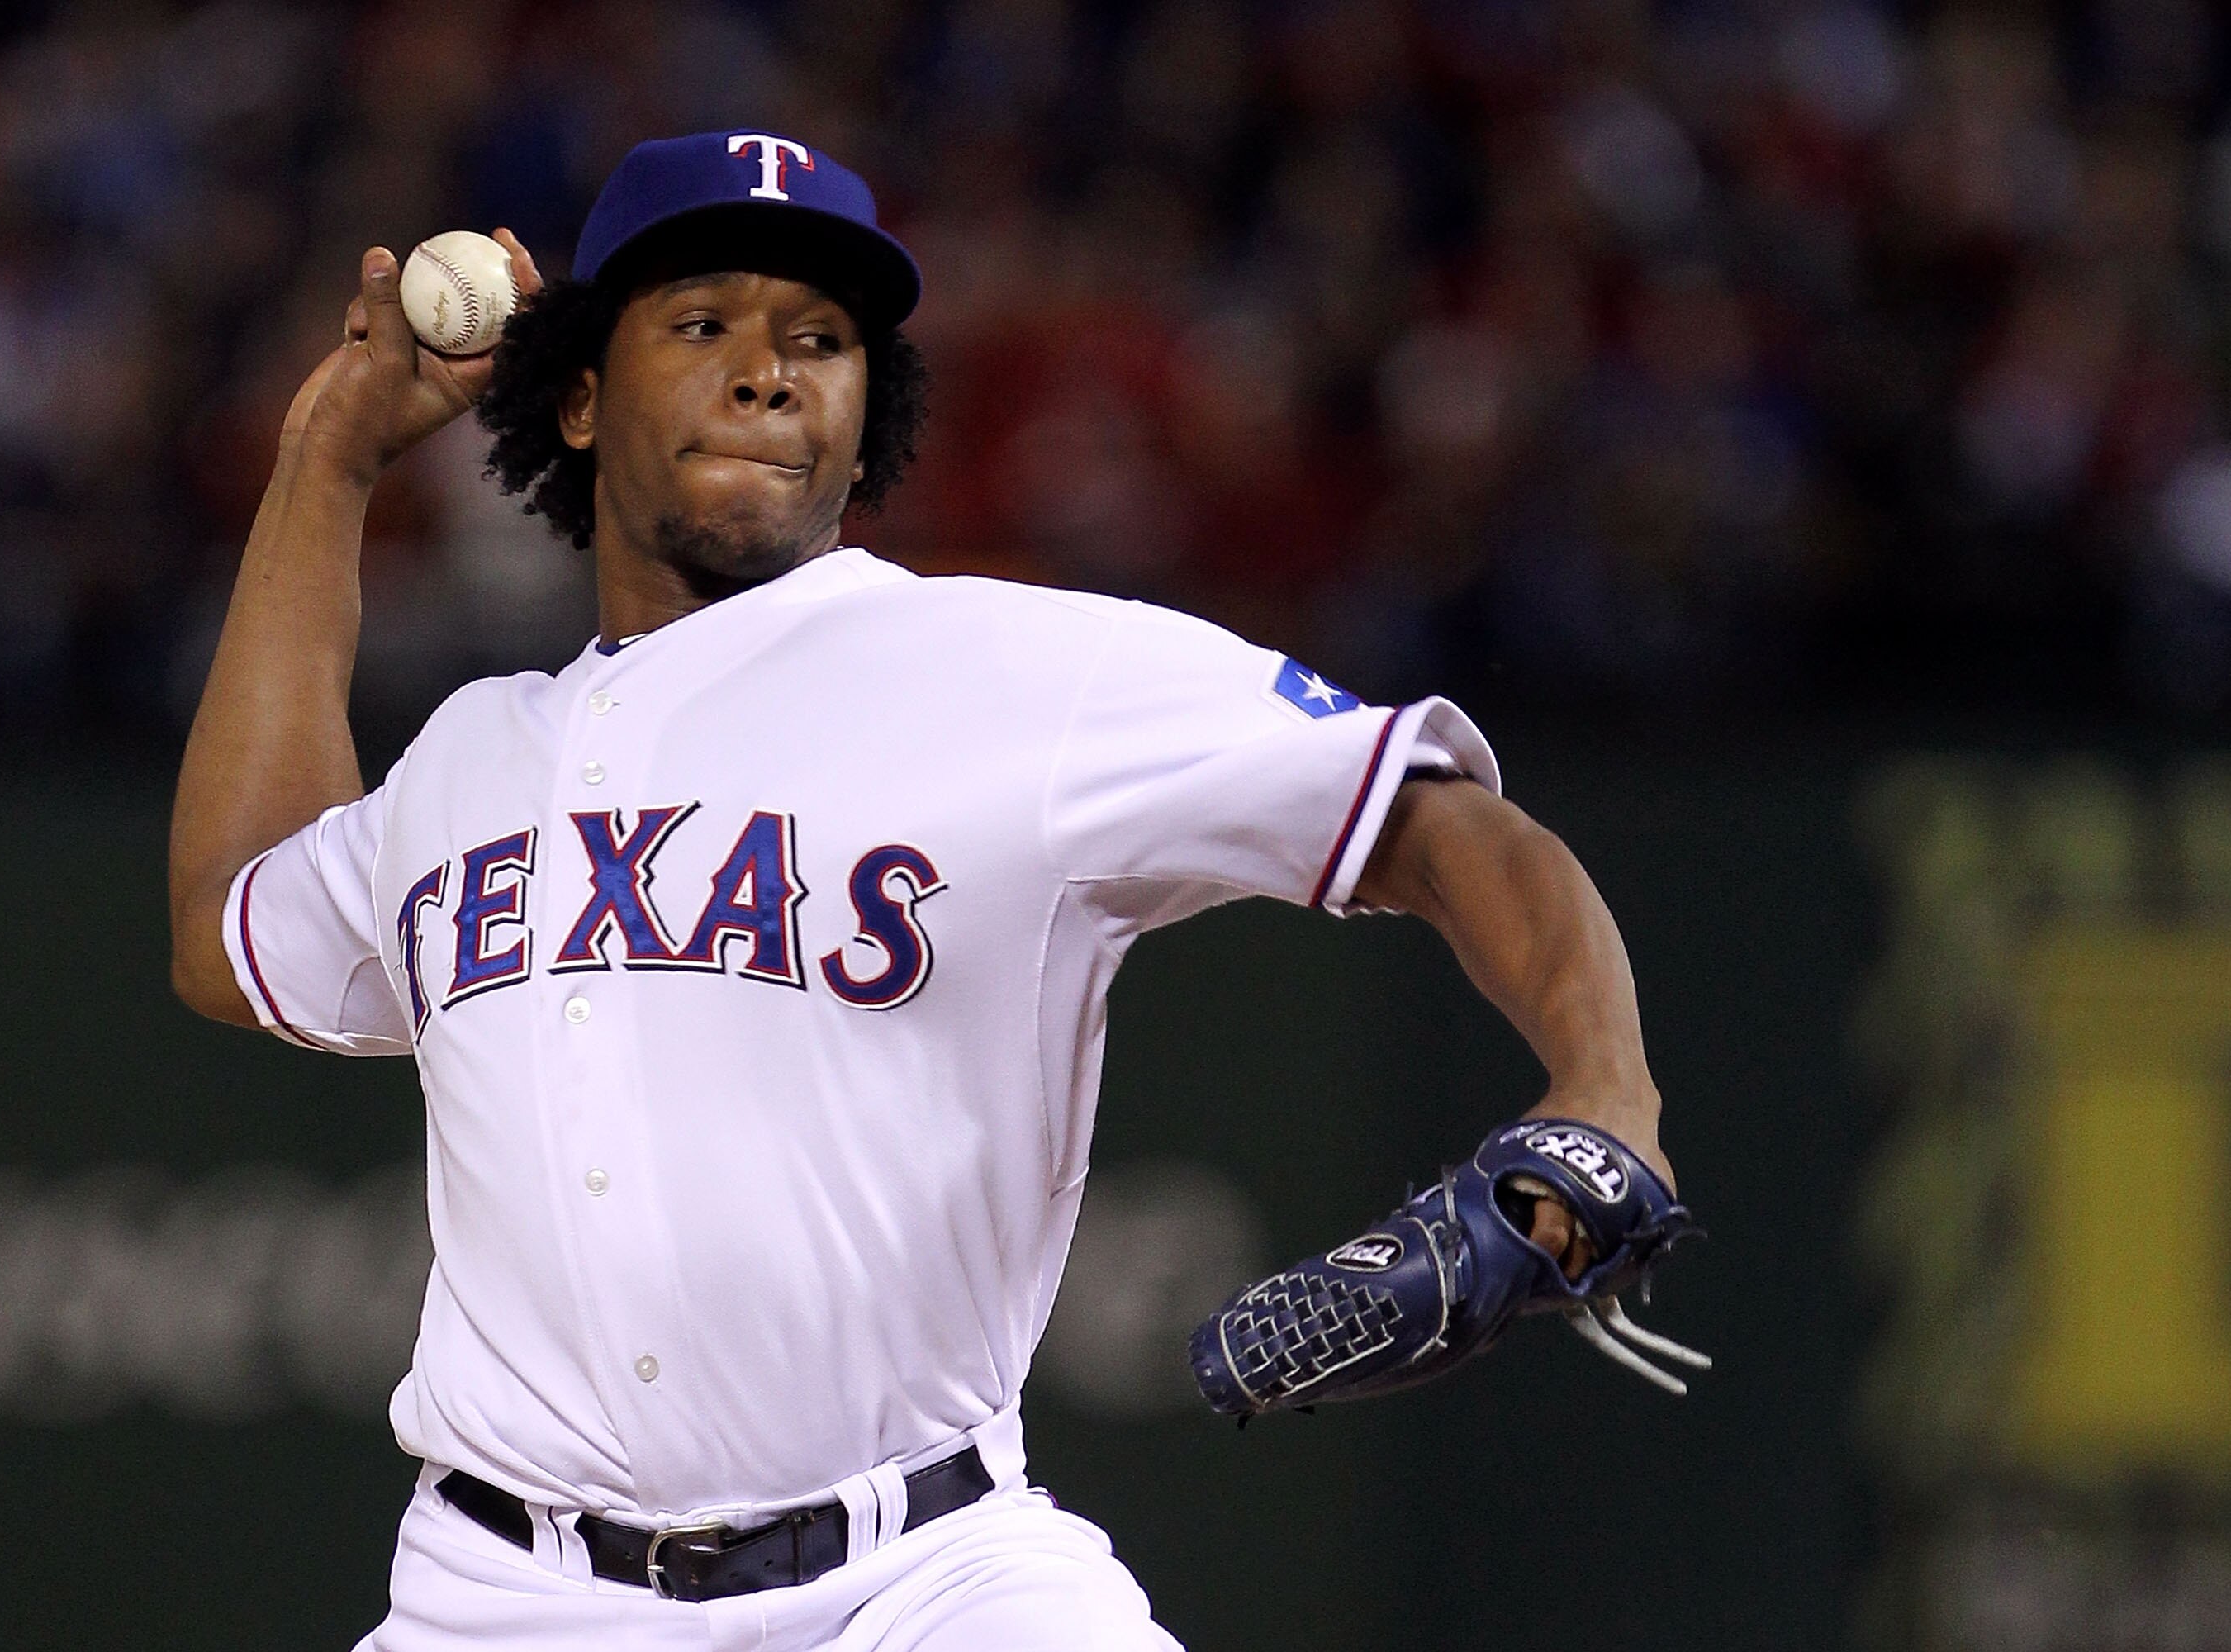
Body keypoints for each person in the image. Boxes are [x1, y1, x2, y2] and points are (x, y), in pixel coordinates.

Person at [167, 131, 1672, 1652]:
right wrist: (330, 461)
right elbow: (236, 925)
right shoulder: (467, 761)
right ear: (575, 396)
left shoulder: (1014, 669)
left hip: (924, 1582)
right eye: (703, 326)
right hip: (495, 1600)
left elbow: (1438, 822)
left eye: (818, 340)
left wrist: (1606, 1092)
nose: (771, 375)